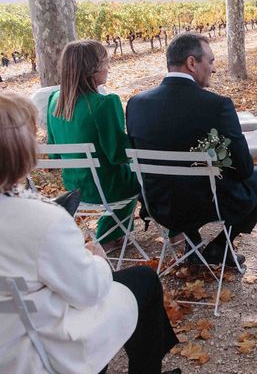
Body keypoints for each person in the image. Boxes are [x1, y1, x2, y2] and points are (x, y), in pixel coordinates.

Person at [0, 92, 179, 374]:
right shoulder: (40, 219)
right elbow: (89, 292)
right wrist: (96, 258)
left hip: (15, 330)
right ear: (21, 150)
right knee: (143, 280)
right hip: (39, 349)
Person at [126, 32, 257, 266]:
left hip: (158, 205)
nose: (213, 69)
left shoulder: (136, 104)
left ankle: (194, 247)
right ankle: (220, 246)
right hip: (207, 204)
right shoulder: (217, 106)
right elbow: (243, 170)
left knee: (186, 182)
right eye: (210, 62)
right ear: (192, 63)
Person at [47, 40, 140, 253]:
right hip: (106, 188)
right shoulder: (105, 104)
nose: (108, 67)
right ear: (92, 69)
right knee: (147, 177)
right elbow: (118, 155)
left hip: (74, 188)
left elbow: (54, 154)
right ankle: (108, 238)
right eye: (105, 62)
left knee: (126, 178)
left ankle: (114, 234)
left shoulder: (54, 101)